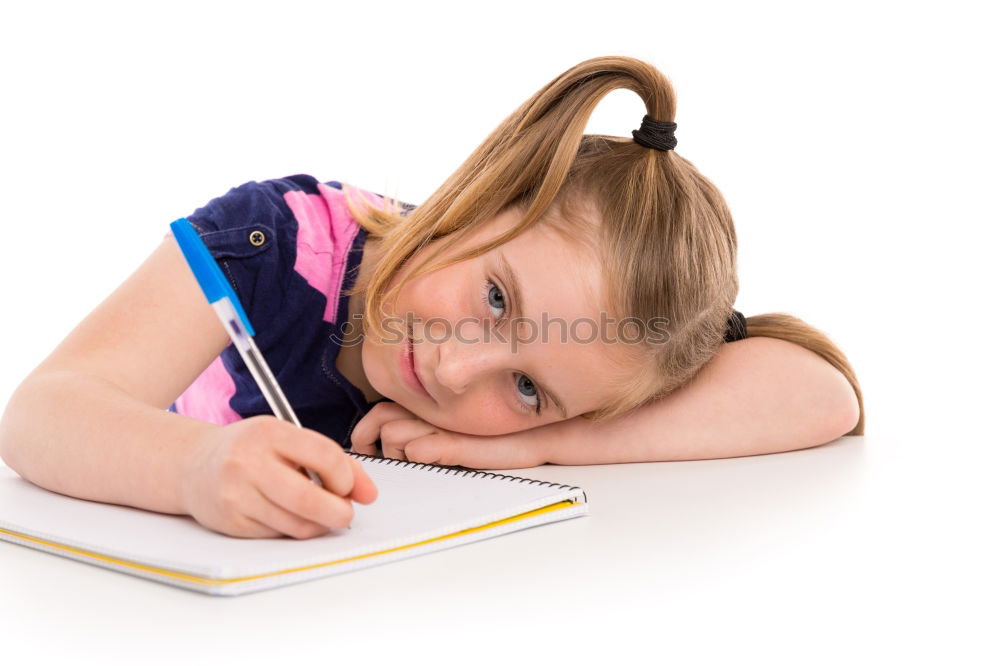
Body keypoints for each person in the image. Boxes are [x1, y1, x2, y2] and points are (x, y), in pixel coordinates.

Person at [0, 56, 864, 540]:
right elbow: (43, 414)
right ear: (483, 193)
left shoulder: (599, 356)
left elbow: (821, 394)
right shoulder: (272, 243)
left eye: (528, 389)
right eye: (495, 297)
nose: (456, 372)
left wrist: (552, 446)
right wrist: (193, 469)